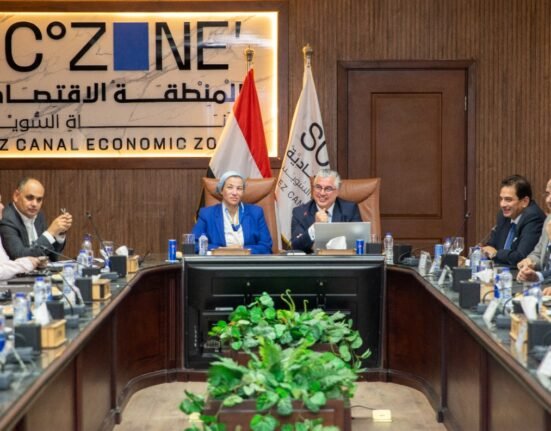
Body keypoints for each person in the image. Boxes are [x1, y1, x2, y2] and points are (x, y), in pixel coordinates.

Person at [192, 171, 272, 254]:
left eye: (239, 188)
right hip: (219, 261)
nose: (235, 193)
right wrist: (223, 250)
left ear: (243, 192)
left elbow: (266, 246)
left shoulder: (256, 213)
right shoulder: (207, 214)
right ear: (221, 190)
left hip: (248, 261)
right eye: (230, 187)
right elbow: (195, 244)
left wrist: (242, 250)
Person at [0, 177, 73, 261]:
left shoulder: (39, 216)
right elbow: (20, 257)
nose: (35, 204)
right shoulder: (7, 219)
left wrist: (58, 233)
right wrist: (50, 233)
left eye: (39, 199)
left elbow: (52, 256)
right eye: (29, 198)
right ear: (16, 196)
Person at [481, 174, 545, 267]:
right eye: (501, 199)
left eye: (508, 200)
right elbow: (490, 246)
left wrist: (496, 253)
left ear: (525, 201)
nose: (502, 204)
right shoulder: (503, 216)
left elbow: (521, 257)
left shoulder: (533, 217)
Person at [291, 169, 361, 253]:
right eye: (318, 187)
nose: (322, 193)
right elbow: (296, 246)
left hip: (342, 259)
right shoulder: (300, 212)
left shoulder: (350, 209)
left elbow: (359, 242)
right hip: (313, 261)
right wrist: (315, 227)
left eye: (328, 189)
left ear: (337, 191)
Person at [517, 178, 551, 291]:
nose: (548, 200)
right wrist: (530, 262)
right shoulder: (549, 220)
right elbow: (537, 253)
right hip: (543, 286)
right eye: (548, 194)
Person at [0, 193, 42, 280]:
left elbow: (4, 264)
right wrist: (23, 264)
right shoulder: (9, 219)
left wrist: (26, 262)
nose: (2, 206)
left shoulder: (40, 216)